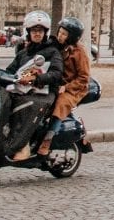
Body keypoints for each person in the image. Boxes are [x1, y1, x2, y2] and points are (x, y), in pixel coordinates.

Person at [3, 10, 63, 163]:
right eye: (34, 31)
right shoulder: (23, 53)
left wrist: (36, 78)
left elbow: (56, 74)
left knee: (27, 106)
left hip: (43, 93)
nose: (37, 34)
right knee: (0, 98)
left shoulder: (52, 51)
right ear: (28, 32)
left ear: (46, 33)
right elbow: (10, 70)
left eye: (40, 31)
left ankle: (23, 145)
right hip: (23, 90)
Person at [37, 17, 90, 157]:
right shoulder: (55, 46)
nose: (60, 36)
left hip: (73, 88)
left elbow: (84, 77)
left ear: (71, 37)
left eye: (64, 34)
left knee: (60, 103)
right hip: (56, 82)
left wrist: (66, 87)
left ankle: (47, 139)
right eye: (60, 32)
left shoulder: (79, 52)